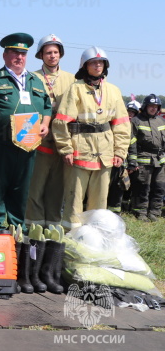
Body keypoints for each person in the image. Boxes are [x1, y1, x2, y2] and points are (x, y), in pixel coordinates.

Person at [0, 33, 52, 230]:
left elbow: (47, 107)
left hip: (28, 144)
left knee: (21, 188)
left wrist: (46, 124)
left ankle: (18, 228)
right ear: (5, 55)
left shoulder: (36, 80)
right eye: (15, 53)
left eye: (23, 54)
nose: (19, 57)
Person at [53, 47, 131, 230]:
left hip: (105, 153)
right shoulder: (75, 89)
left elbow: (122, 124)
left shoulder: (113, 91)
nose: (98, 65)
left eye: (101, 62)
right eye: (93, 62)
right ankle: (71, 238)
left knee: (100, 200)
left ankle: (96, 238)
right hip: (79, 152)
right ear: (85, 66)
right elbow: (61, 122)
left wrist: (120, 151)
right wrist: (65, 149)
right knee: (74, 199)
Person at [24, 35, 76, 229]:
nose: (52, 56)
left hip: (63, 142)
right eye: (48, 52)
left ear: (60, 54)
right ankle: (34, 229)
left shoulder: (72, 79)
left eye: (55, 52)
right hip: (39, 141)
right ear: (41, 55)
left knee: (57, 190)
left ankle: (53, 229)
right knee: (35, 189)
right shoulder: (31, 78)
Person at [127, 94, 165, 221]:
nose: (153, 108)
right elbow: (132, 143)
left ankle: (154, 212)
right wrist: (132, 161)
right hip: (143, 158)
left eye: (156, 106)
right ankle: (140, 212)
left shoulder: (161, 121)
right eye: (151, 106)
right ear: (145, 106)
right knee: (142, 187)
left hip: (159, 160)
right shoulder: (136, 120)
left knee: (159, 187)